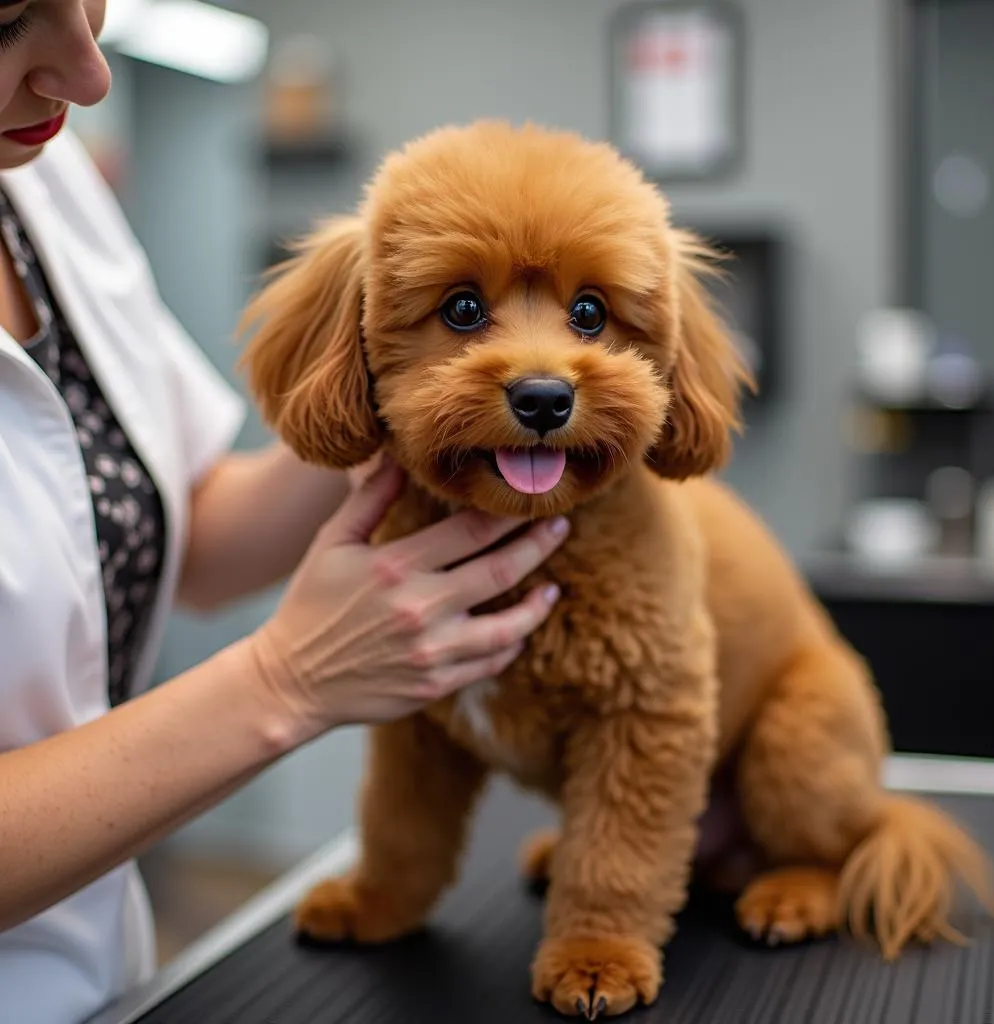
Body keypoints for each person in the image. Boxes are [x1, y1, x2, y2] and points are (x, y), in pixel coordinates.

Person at [0, 2, 569, 1020]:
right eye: (3, 24)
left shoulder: (45, 185)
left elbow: (190, 533)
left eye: (91, 2)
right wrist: (285, 678)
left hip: (106, 976)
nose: (89, 78)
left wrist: (387, 366)